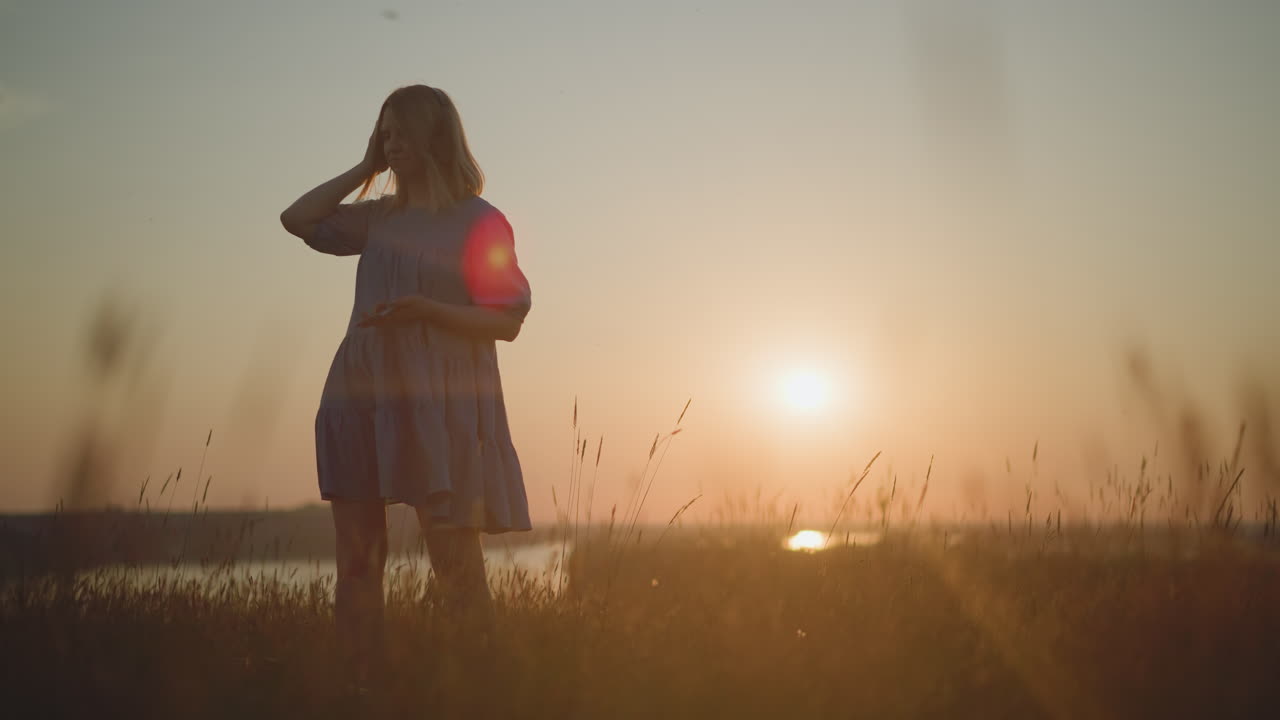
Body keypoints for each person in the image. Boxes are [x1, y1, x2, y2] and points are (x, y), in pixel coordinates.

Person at [279, 84, 533, 689]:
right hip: (360, 392)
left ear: (432, 138)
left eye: (397, 133)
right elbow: (298, 219)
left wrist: (426, 310)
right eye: (382, 132)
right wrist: (366, 168)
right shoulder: (380, 217)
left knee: (454, 558)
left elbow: (508, 320)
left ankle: (482, 686)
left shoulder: (479, 222)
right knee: (358, 559)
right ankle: (360, 685)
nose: (388, 143)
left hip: (438, 400)